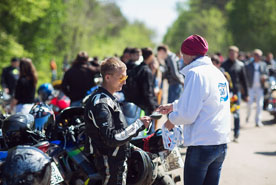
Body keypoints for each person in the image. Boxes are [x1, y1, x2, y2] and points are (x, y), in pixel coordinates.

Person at [157, 35, 230, 185]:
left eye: (183, 53)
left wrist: (170, 121)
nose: (182, 57)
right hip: (220, 143)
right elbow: (206, 100)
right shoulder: (218, 73)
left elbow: (188, 115)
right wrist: (174, 106)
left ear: (189, 54)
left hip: (202, 144)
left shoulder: (196, 73)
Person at [84, 57, 151, 185]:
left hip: (116, 159)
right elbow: (112, 138)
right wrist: (138, 125)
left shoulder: (108, 97)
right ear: (108, 77)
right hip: (110, 161)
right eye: (121, 78)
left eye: (125, 78)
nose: (124, 82)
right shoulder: (100, 103)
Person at [221, 46, 249, 141]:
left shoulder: (240, 65)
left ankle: (236, 133)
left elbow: (244, 81)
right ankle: (225, 134)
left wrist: (246, 94)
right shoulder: (223, 65)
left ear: (237, 54)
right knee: (224, 114)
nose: (232, 54)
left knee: (236, 113)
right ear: (229, 53)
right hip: (225, 94)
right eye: (231, 52)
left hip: (236, 94)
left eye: (234, 53)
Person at [123, 47, 158, 115]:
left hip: (134, 105)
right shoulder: (146, 71)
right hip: (144, 107)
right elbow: (148, 92)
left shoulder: (137, 68)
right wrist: (154, 107)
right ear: (150, 56)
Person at [245, 49, 268, 127]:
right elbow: (245, 76)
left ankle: (258, 121)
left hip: (260, 87)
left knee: (260, 104)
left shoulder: (263, 64)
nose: (258, 57)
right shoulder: (248, 64)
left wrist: (265, 77)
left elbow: (266, 74)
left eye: (259, 55)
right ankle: (248, 116)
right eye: (257, 55)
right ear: (254, 56)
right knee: (249, 103)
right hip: (251, 87)